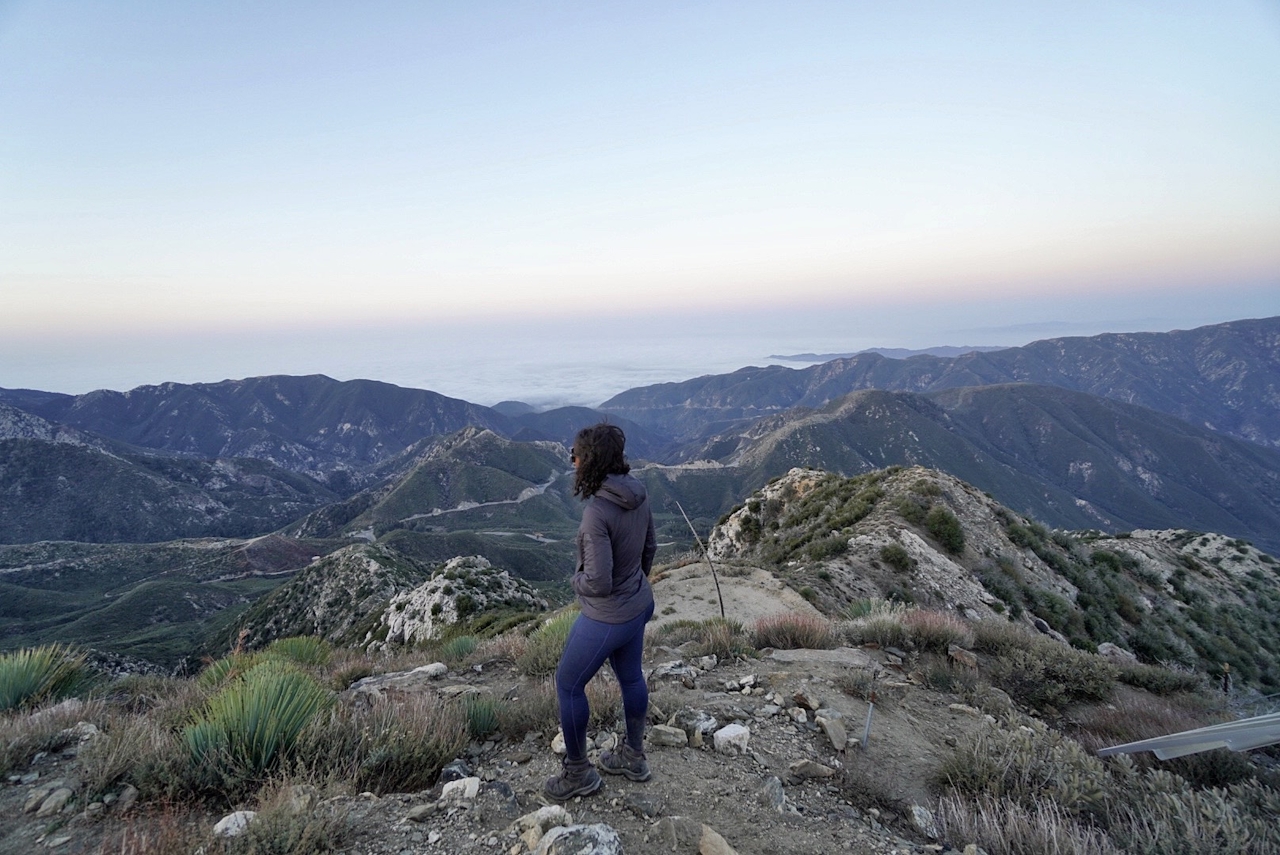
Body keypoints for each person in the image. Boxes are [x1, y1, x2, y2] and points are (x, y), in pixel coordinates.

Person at [544, 423, 657, 801]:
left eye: (574, 455)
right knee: (630, 678)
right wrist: (634, 586)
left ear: (588, 461)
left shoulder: (597, 514)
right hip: (638, 604)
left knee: (568, 684)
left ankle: (578, 773)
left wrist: (574, 580)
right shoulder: (638, 493)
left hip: (608, 615)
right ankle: (633, 756)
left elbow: (598, 582)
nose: (572, 461)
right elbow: (650, 549)